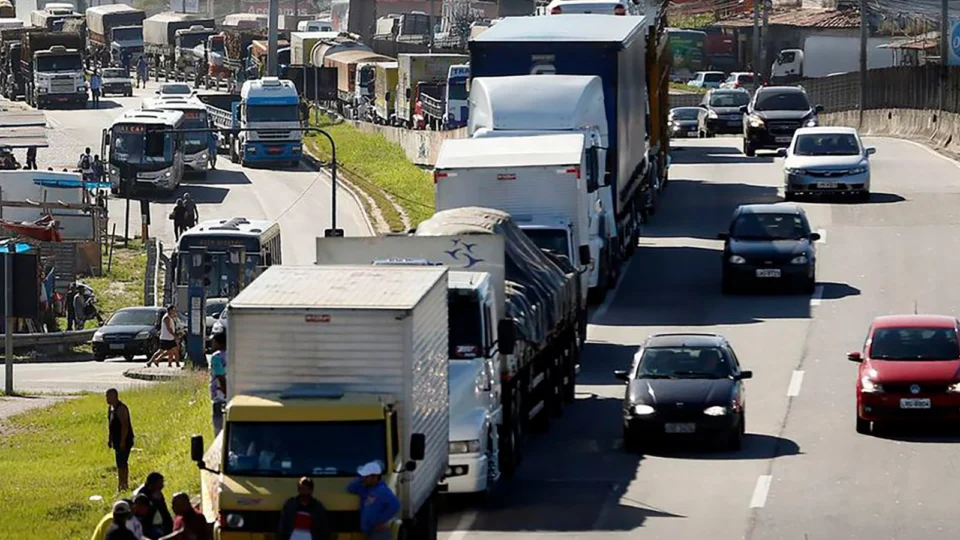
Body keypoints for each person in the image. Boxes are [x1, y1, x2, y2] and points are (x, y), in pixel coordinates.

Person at [347, 462, 400, 540]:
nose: (364, 479)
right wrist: (361, 478)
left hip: (379, 533)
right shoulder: (366, 490)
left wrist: (381, 521)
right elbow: (350, 488)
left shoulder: (383, 491)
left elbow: (395, 505)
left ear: (374, 477)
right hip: (370, 532)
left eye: (366, 477)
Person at [106, 388, 135, 492]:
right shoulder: (111, 408)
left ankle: (124, 484)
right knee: (119, 463)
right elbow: (110, 424)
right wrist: (110, 439)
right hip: (116, 440)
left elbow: (125, 426)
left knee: (122, 462)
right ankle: (121, 484)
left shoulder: (121, 408)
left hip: (125, 439)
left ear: (115, 396)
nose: (107, 399)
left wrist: (123, 441)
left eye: (109, 396)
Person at [135, 472, 174, 538]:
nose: (162, 486)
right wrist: (155, 501)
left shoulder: (157, 493)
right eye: (160, 484)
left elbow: (165, 513)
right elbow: (144, 517)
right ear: (151, 485)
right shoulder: (141, 497)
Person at [210, 331, 227, 436]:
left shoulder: (216, 357)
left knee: (218, 420)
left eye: (214, 341)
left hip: (219, 393)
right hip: (231, 392)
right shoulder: (231, 354)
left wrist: (225, 390)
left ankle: (218, 439)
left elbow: (220, 375)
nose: (212, 344)